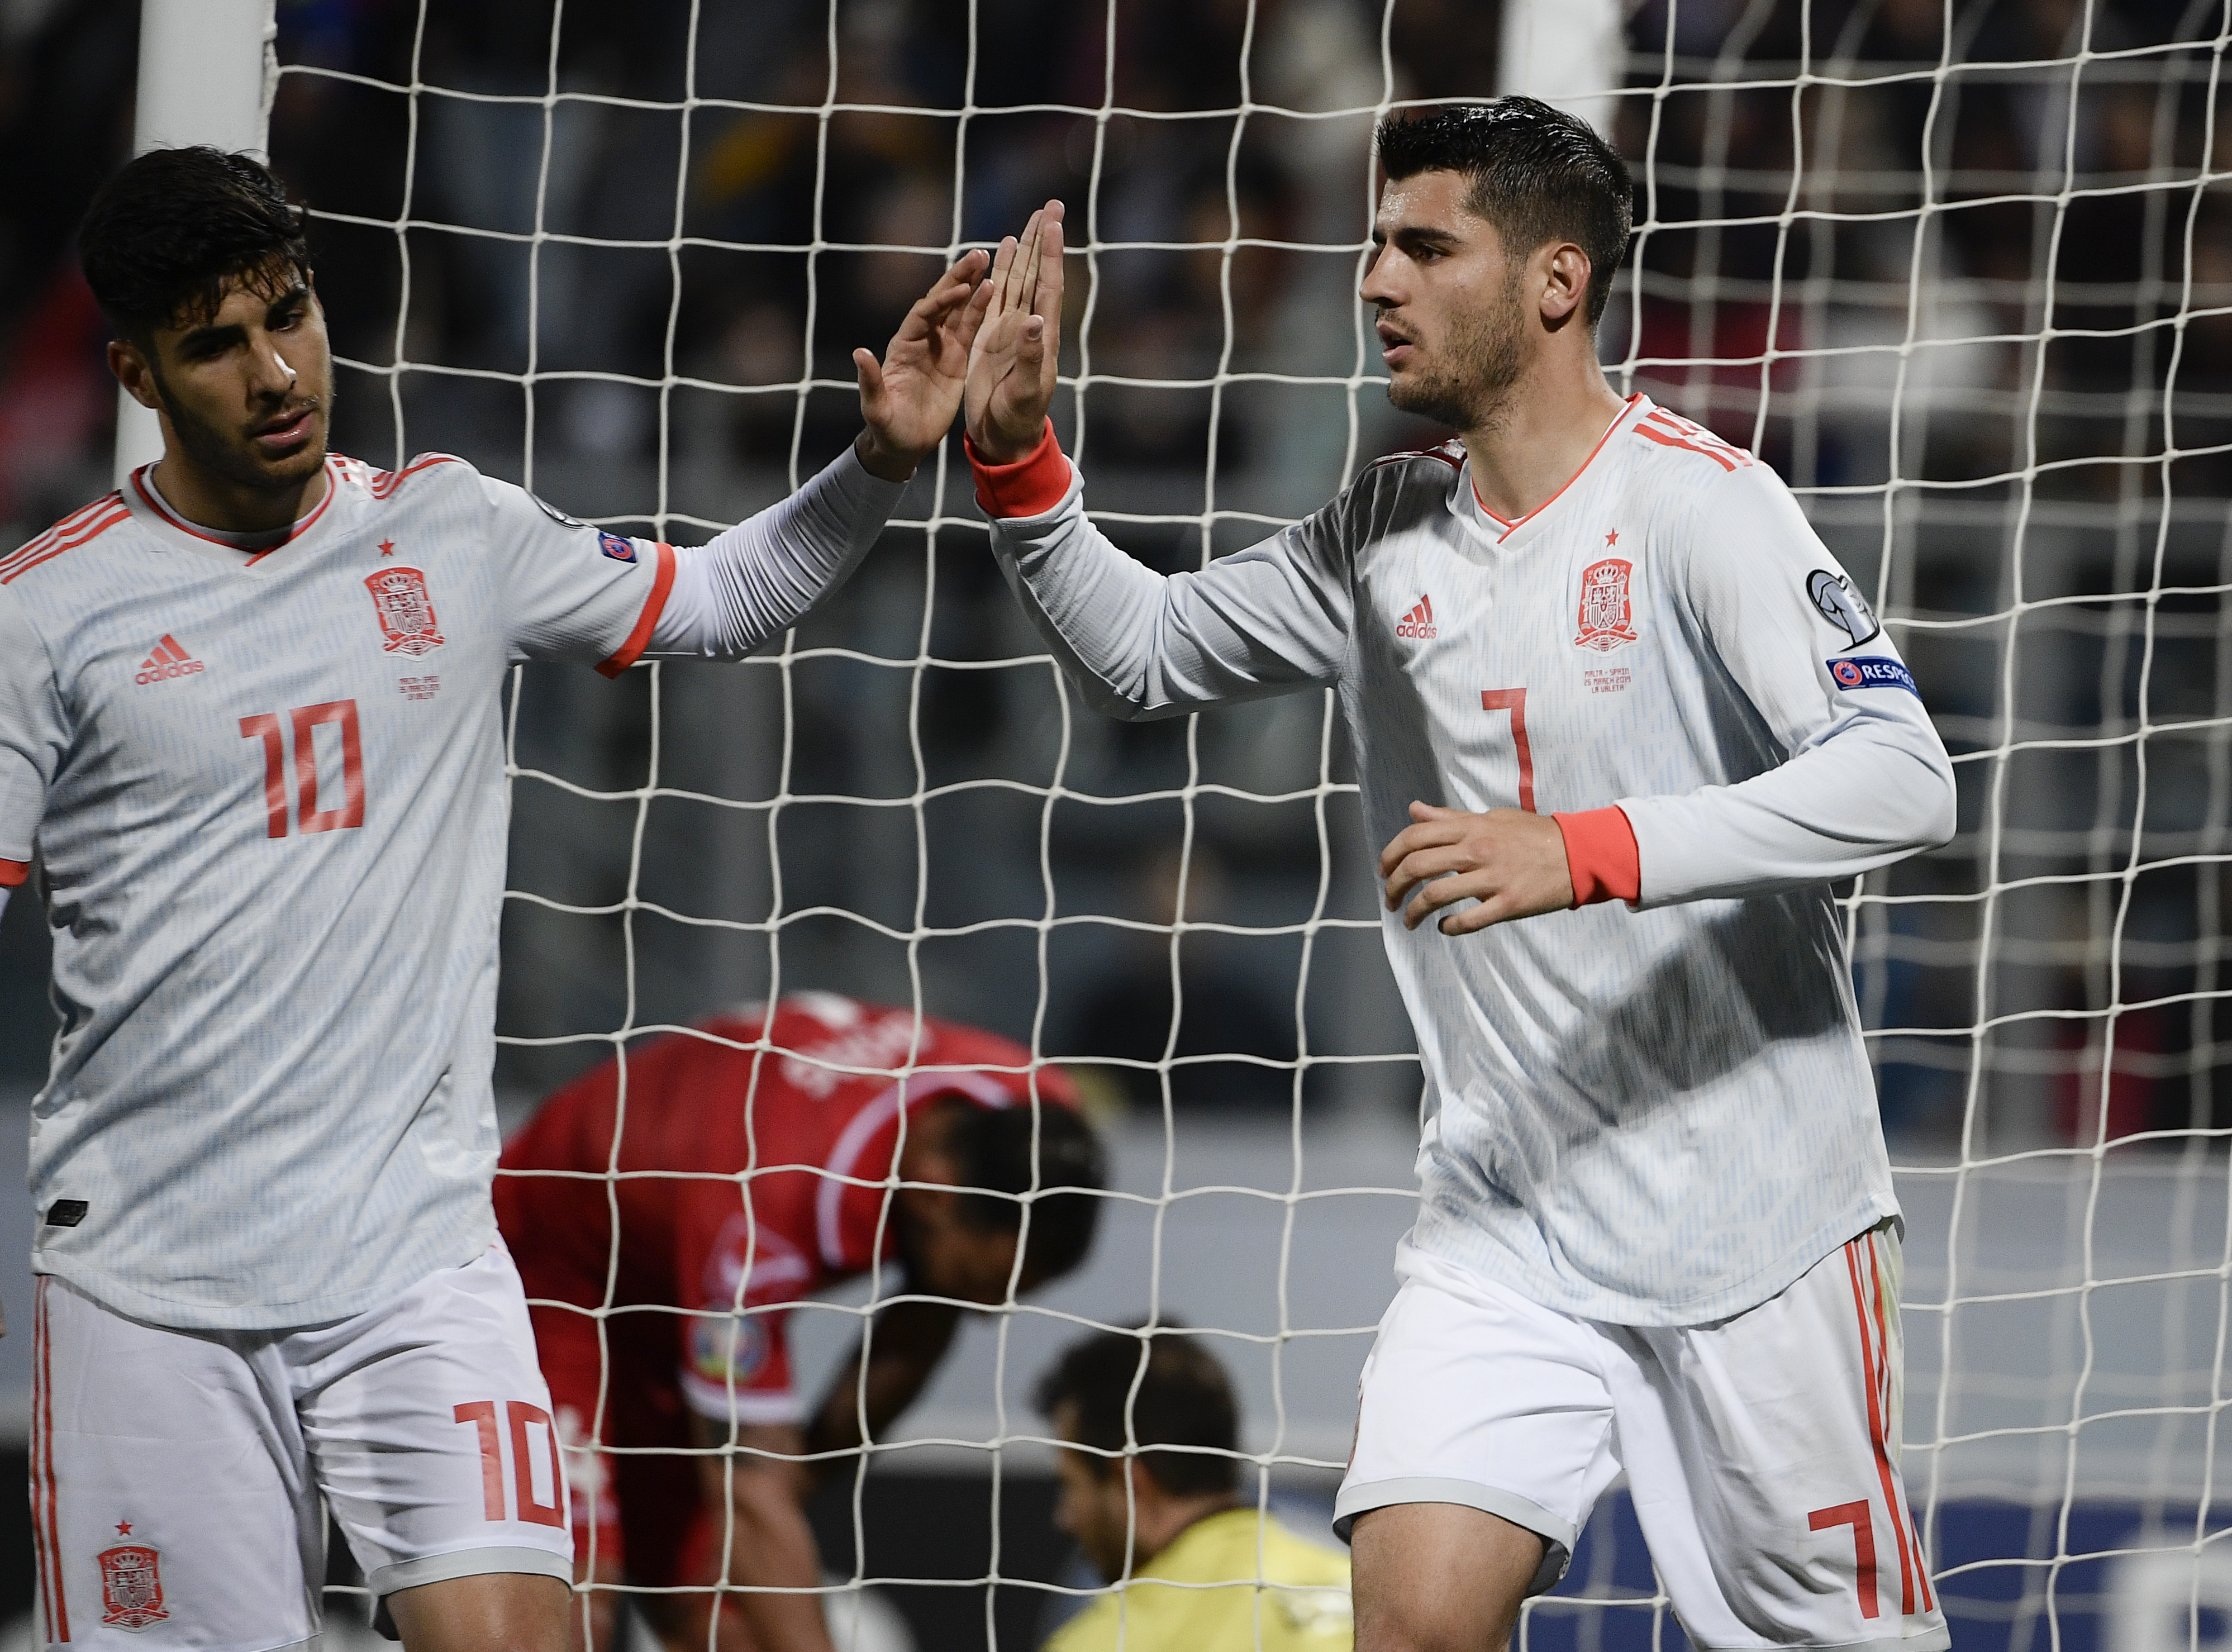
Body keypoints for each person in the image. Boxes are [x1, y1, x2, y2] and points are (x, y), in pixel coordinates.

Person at [961, 101, 1956, 1652]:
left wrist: (1583, 848)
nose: (1375, 279)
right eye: (1376, 244)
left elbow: (1903, 774)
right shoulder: (1384, 523)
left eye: (1425, 247)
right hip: (1504, 1218)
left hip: (1754, 1223)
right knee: (1412, 1620)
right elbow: (1144, 652)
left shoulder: (1702, 505)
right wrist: (1018, 459)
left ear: (1556, 282)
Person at [0, 146, 991, 1649]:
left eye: (290, 316)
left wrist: (878, 461)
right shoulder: (47, 616)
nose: (276, 375)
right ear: (136, 371)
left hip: (412, 1258)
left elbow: (722, 596)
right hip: (151, 1280)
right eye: (215, 344)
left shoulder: (452, 531)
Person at [496, 992, 1106, 1652]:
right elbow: (750, 1491)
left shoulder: (1036, 1108)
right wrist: (777, 1500)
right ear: (933, 1191)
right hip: (558, 1259)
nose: (992, 1311)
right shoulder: (761, 1223)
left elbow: (931, 1304)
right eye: (984, 1283)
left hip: (677, 1253)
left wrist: (801, 1477)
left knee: (716, 1607)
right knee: (573, 1600)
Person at [1036, 1326, 1351, 1652]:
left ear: (1131, 1483)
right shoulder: (1360, 1590)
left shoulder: (1104, 1642)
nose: (1065, 1518)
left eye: (1071, 1485)